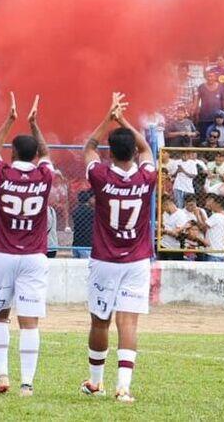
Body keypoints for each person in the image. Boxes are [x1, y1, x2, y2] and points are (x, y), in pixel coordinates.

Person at [80, 92, 157, 403]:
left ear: (110, 153)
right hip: (137, 260)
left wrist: (109, 117)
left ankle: (95, 382)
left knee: (100, 320)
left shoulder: (100, 175)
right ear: (133, 154)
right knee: (129, 322)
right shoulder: (146, 177)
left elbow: (88, 147)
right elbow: (148, 148)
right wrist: (124, 119)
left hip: (104, 259)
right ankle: (123, 386)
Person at [0, 93, 51, 397]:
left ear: (14, 153)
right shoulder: (44, 175)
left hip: (1, 253)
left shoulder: (1, 174)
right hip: (34, 255)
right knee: (29, 321)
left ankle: (2, 375)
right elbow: (47, 153)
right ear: (36, 155)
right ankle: (27, 383)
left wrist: (9, 120)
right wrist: (35, 124)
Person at [199, 194, 224, 262]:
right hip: (218, 251)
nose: (211, 205)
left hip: (213, 253)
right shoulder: (222, 216)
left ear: (218, 204)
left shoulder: (216, 216)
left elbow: (202, 226)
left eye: (213, 203)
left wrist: (198, 215)